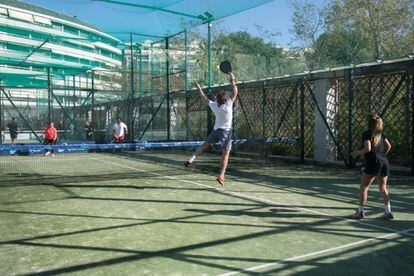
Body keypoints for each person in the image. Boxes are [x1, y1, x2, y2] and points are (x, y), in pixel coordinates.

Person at [184, 73, 238, 186]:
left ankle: (191, 159)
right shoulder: (228, 105)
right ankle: (221, 175)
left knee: (204, 145)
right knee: (225, 155)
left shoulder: (214, 106)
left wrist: (198, 87)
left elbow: (204, 98)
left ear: (218, 100)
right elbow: (235, 91)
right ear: (225, 98)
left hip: (216, 131)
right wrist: (232, 79)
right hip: (226, 133)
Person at [351, 114, 393, 220]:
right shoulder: (381, 133)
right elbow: (389, 146)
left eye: (365, 121)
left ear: (368, 123)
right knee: (383, 188)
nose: (364, 122)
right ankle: (388, 212)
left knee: (364, 187)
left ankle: (360, 212)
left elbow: (368, 149)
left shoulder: (366, 134)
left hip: (372, 163)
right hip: (384, 162)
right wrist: (382, 155)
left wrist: (358, 153)